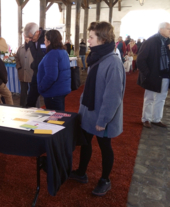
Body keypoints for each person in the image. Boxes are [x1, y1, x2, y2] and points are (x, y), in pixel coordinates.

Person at [69, 21, 126, 196]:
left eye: (91, 37)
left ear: (102, 39)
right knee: (85, 143)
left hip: (103, 116)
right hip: (89, 112)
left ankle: (105, 180)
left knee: (105, 147)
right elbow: (91, 88)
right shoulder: (98, 56)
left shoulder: (113, 62)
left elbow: (113, 96)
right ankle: (81, 173)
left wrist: (103, 120)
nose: (89, 40)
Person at [137, 22, 170, 128]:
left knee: (161, 98)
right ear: (161, 29)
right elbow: (140, 60)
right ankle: (146, 119)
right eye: (168, 28)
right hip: (153, 75)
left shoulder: (168, 41)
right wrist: (148, 74)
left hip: (165, 75)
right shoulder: (151, 41)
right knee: (149, 98)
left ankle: (156, 119)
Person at [37, 30, 71, 111]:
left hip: (53, 92)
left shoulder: (52, 54)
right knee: (59, 116)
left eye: (45, 40)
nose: (44, 42)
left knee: (54, 120)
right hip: (60, 90)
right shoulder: (63, 51)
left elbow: (51, 76)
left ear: (49, 41)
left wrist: (41, 87)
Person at [23, 22, 46, 107]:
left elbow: (37, 57)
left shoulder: (45, 39)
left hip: (45, 72)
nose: (30, 39)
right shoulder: (31, 39)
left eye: (31, 37)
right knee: (31, 97)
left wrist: (30, 44)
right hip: (36, 71)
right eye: (28, 38)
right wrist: (27, 42)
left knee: (47, 98)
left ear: (37, 32)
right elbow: (26, 48)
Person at [15, 35, 34, 107]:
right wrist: (18, 66)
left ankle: (34, 107)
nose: (26, 38)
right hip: (22, 72)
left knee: (34, 92)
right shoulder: (21, 47)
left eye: (28, 36)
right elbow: (16, 57)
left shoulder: (34, 47)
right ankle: (22, 107)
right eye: (25, 36)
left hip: (32, 72)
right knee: (23, 92)